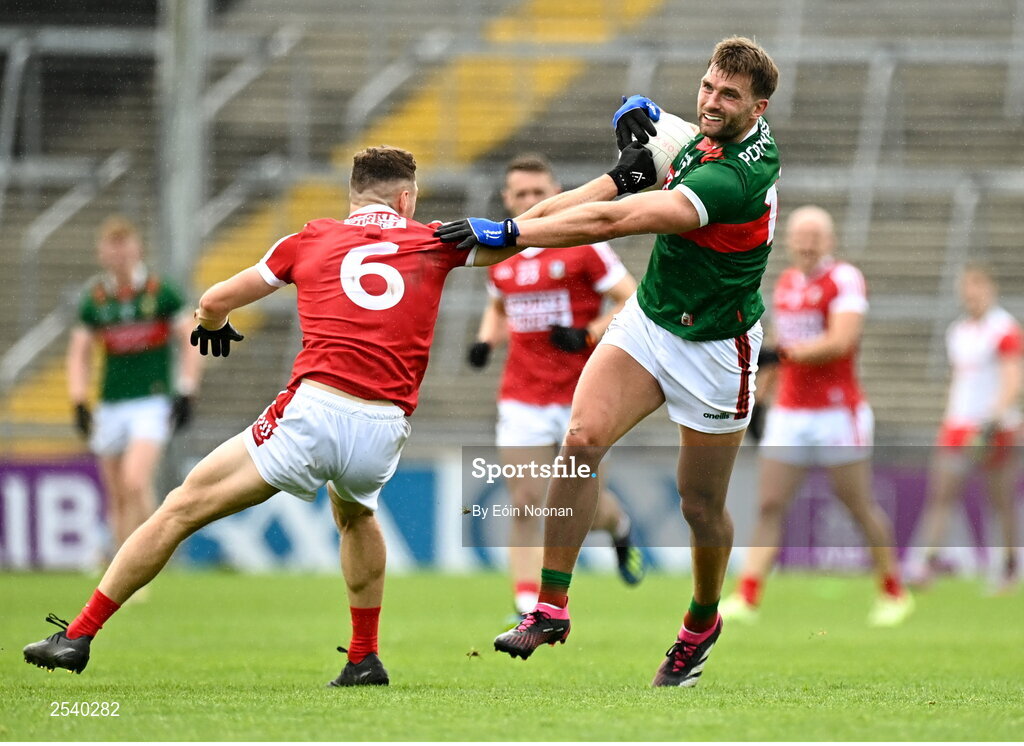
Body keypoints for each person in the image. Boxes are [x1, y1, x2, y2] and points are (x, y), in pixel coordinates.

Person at [23, 146, 530, 686]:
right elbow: (544, 231)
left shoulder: (309, 239)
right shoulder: (435, 240)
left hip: (314, 412)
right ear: (406, 198)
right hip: (385, 426)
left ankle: (77, 635)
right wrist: (591, 193)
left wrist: (211, 322)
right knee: (356, 516)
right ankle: (363, 658)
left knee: (179, 508)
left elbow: (217, 298)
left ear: (352, 197)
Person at [437, 36, 780, 687]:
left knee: (699, 505)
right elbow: (616, 175)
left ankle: (702, 621)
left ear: (758, 107)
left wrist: (511, 234)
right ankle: (550, 607)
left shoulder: (734, 177)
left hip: (716, 346)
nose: (711, 100)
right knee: (582, 439)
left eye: (728, 95)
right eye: (707, 86)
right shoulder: (708, 135)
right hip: (651, 321)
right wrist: (631, 143)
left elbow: (609, 221)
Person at [718, 205, 914, 627]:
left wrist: (782, 355)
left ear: (830, 241)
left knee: (857, 504)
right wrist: (758, 399)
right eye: (800, 237)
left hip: (837, 410)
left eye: (815, 237)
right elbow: (778, 346)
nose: (807, 245)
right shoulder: (787, 283)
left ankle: (893, 590)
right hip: (791, 411)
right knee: (770, 503)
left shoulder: (844, 279)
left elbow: (840, 341)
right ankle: (748, 596)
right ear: (788, 241)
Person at [469, 154, 645, 620]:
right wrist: (486, 341)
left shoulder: (584, 244)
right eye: (521, 195)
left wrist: (588, 332)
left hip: (582, 393)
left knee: (583, 505)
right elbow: (500, 306)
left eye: (539, 193)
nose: (531, 201)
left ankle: (620, 525)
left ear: (557, 193)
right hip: (522, 394)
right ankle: (528, 601)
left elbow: (632, 299)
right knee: (526, 500)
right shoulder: (501, 252)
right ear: (508, 200)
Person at [67, 216, 201, 561]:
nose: (120, 257)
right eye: (113, 250)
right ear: (102, 255)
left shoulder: (160, 293)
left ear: (137, 250)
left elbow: (190, 339)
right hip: (110, 402)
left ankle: (142, 559)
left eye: (125, 249)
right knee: (116, 494)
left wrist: (187, 389)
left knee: (134, 481)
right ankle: (123, 566)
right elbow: (79, 352)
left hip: (151, 400)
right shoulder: (96, 299)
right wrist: (79, 400)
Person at [913, 263, 1021, 593]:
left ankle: (1008, 566)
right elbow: (960, 380)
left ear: (990, 289)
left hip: (995, 426)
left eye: (977, 287)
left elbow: (1012, 378)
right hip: (959, 425)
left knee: (999, 500)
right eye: (967, 288)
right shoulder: (958, 331)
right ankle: (926, 565)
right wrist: (948, 417)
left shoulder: (1003, 329)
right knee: (941, 495)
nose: (971, 295)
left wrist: (994, 417)